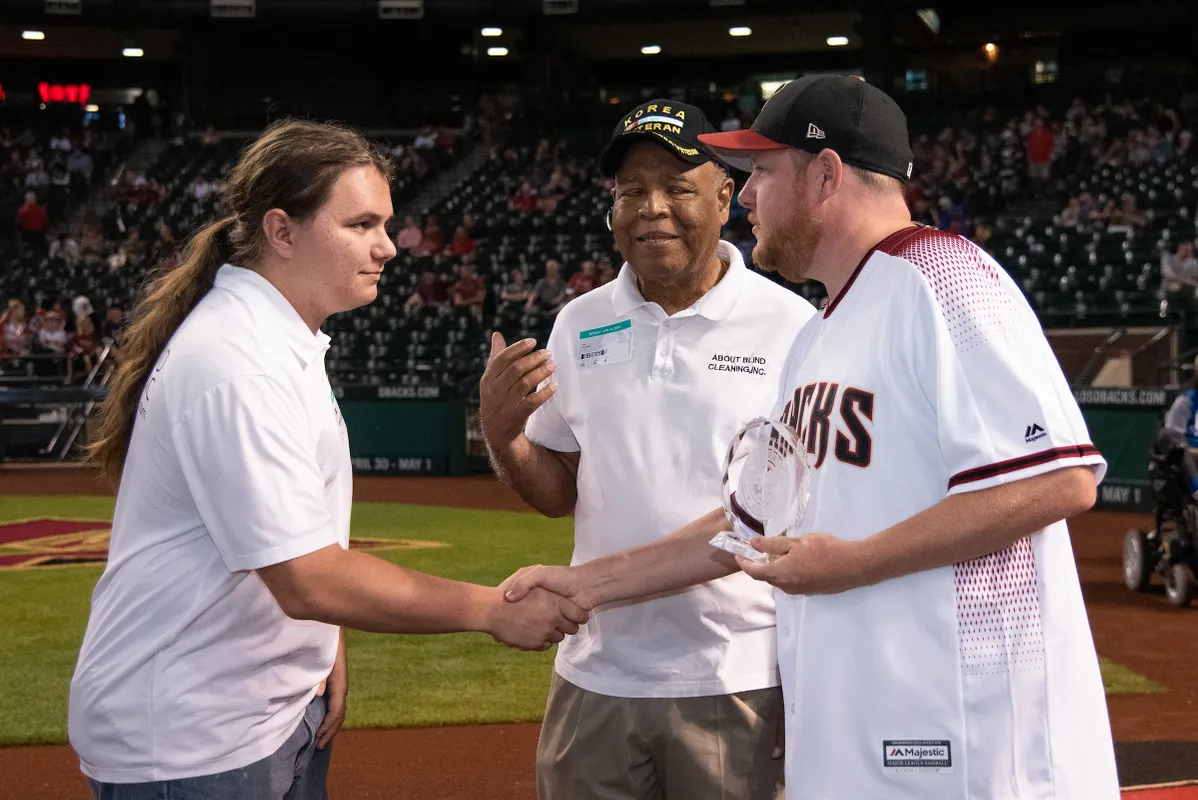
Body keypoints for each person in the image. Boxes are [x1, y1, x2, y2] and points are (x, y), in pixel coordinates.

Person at [503, 76, 1119, 800]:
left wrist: (852, 562)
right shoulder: (819, 337)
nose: (750, 194)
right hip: (870, 736)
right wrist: (584, 584)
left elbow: (1057, 480)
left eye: (763, 171)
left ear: (824, 175)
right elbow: (745, 527)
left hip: (969, 741)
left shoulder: (944, 277)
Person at [69, 120, 587, 800]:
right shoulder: (240, 362)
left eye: (386, 223)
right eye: (361, 224)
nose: (386, 246)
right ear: (283, 232)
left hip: (258, 715)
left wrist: (322, 645)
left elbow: (293, 543)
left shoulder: (279, 337)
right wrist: (492, 608)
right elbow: (308, 578)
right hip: (193, 741)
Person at [481, 99, 815, 800]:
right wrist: (504, 435)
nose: (650, 207)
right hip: (595, 670)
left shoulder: (794, 328)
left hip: (735, 677)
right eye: (631, 190)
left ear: (726, 198)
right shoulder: (581, 320)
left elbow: (774, 515)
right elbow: (557, 492)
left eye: (676, 187)